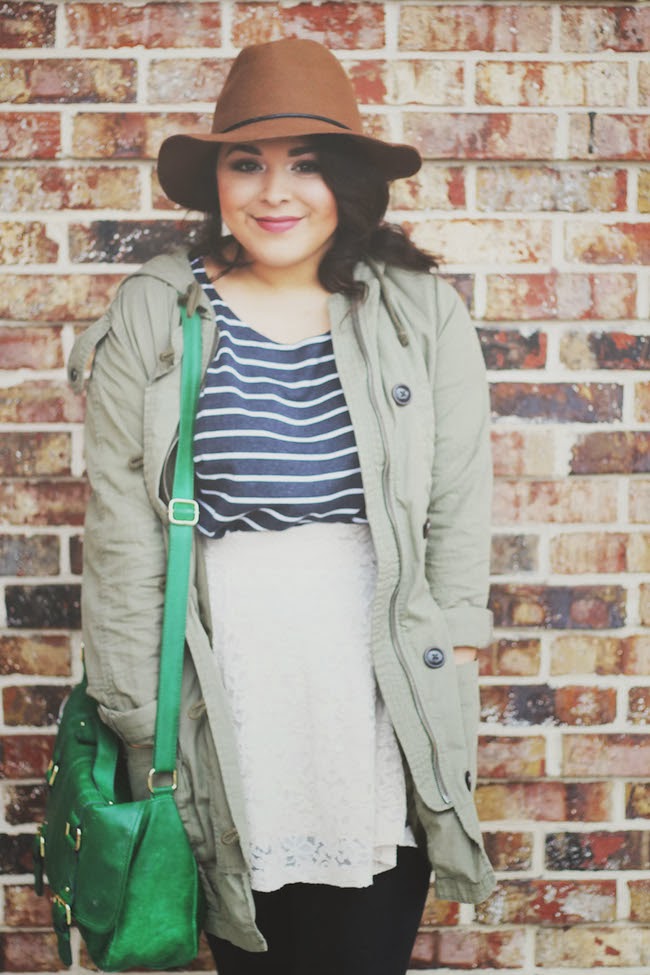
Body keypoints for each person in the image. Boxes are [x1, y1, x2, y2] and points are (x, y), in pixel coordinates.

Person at [68, 37, 495, 975]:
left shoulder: (420, 311)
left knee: (366, 949)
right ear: (216, 182)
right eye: (246, 163)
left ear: (347, 181)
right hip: (225, 683)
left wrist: (456, 651)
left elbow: (459, 499)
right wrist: (140, 715)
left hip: (375, 683)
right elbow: (123, 536)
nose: (275, 192)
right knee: (253, 952)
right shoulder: (156, 311)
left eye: (306, 164)